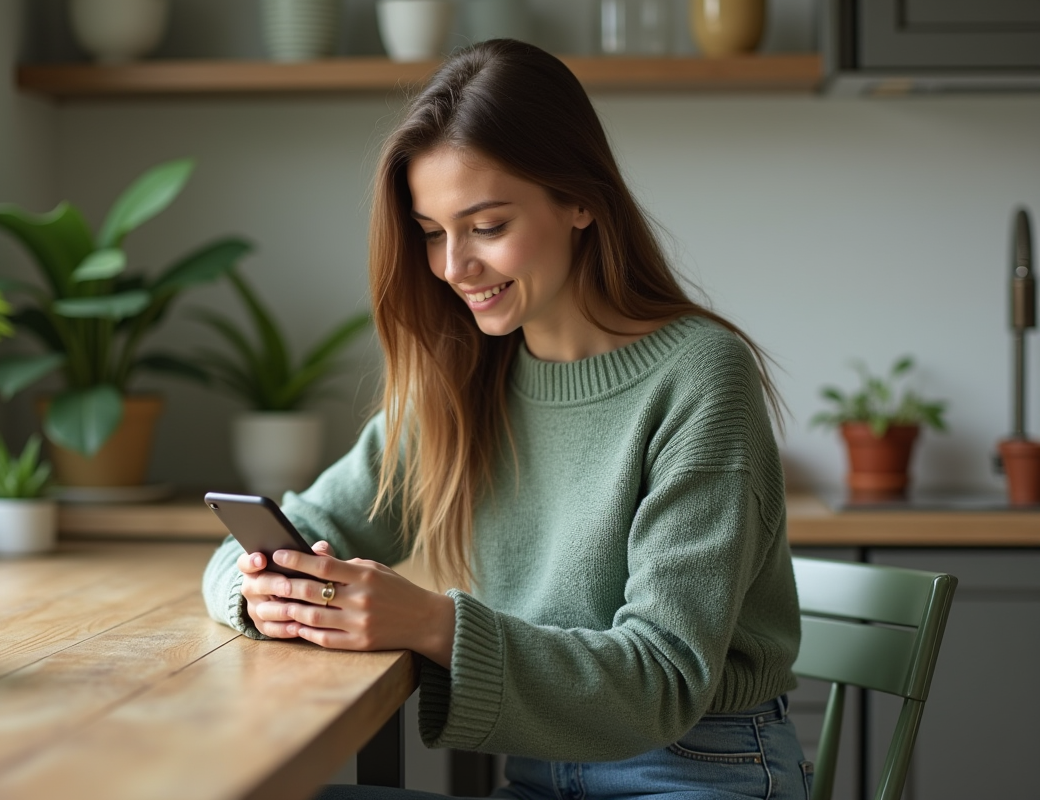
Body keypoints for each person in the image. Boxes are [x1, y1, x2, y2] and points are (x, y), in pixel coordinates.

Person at [202, 39, 810, 800]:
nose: (454, 267)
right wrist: (259, 590)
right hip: (538, 775)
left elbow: (662, 681)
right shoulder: (462, 378)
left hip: (698, 766)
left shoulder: (698, 376)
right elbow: (285, 530)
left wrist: (430, 624)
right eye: (431, 232)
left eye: (486, 226)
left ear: (581, 200)